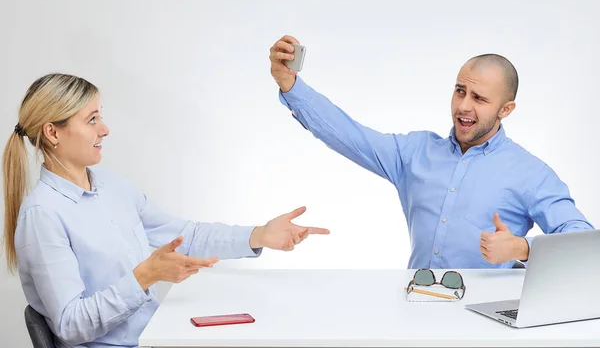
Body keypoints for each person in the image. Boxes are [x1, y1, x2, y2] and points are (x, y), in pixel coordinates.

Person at [2, 73, 330, 348]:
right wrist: (145, 275)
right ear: (52, 132)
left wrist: (258, 235)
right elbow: (70, 325)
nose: (105, 129)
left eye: (100, 115)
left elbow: (184, 235)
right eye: (91, 120)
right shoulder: (42, 215)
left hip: (157, 336)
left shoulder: (112, 188)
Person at [268, 35, 594, 270]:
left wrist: (523, 248)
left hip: (485, 325)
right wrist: (290, 85)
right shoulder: (414, 152)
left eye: (479, 99)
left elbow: (583, 244)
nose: (464, 106)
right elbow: (347, 134)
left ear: (505, 109)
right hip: (415, 312)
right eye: (460, 91)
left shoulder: (530, 173)